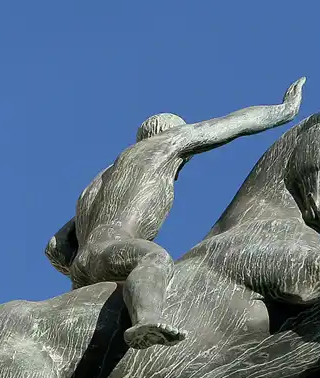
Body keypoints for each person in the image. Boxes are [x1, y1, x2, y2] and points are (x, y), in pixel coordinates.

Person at [45, 77, 306, 349]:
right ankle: (146, 321)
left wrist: (84, 262)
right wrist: (283, 111)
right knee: (155, 258)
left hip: (82, 267)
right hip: (111, 250)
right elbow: (233, 124)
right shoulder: (163, 145)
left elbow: (56, 247)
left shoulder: (101, 179)